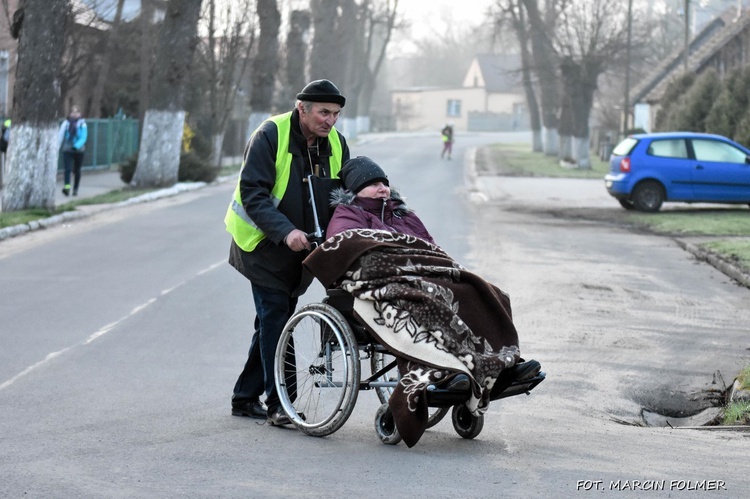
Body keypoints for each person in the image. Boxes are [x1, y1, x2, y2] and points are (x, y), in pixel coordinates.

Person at [224, 79, 350, 426]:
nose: (330, 121)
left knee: (271, 321)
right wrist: (285, 231)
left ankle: (244, 397)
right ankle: (281, 403)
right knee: (277, 318)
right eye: (324, 112)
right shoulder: (270, 135)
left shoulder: (336, 144)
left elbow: (345, 193)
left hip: (302, 249)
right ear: (302, 108)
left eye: (336, 114)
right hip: (262, 243)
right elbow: (253, 194)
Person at [326, 156, 434, 245]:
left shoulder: (402, 214)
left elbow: (432, 246)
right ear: (355, 190)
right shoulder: (347, 218)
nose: (383, 189)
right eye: (374, 184)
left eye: (385, 184)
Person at [58, 106, 88, 196]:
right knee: (67, 169)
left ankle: (75, 189)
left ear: (80, 114)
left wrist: (76, 146)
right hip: (67, 148)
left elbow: (83, 137)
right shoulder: (66, 123)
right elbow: (60, 136)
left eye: (76, 112)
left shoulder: (82, 124)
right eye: (73, 112)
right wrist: (57, 148)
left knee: (77, 170)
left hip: (79, 150)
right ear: (70, 113)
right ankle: (67, 188)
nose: (74, 114)